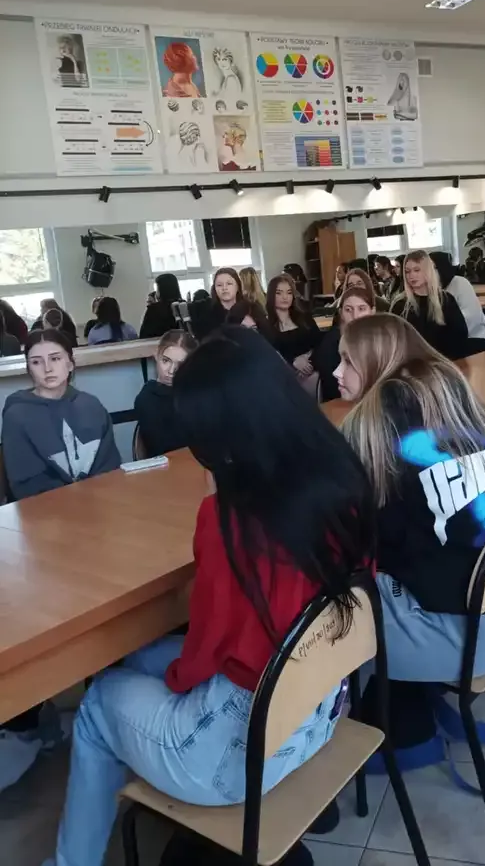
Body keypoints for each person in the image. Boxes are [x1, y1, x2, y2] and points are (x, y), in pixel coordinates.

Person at [43, 328, 374, 866]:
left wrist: (175, 686)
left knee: (100, 701)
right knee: (137, 660)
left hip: (239, 752)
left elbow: (205, 651)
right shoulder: (343, 474)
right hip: (319, 710)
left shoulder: (232, 520)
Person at [335, 314, 485, 687]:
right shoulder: (465, 407)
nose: (336, 372)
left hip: (477, 636)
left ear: (376, 364)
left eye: (347, 361)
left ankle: (403, 720)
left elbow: (365, 542)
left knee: (329, 622)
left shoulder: (377, 429)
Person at [2, 328, 121, 501]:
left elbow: (110, 468)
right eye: (36, 362)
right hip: (45, 510)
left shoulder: (92, 405)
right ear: (29, 369)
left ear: (70, 363)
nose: (47, 368)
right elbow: (28, 486)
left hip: (99, 503)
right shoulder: (17, 415)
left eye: (55, 358)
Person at [391, 249, 468, 360]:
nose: (411, 275)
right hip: (412, 362)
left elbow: (460, 335)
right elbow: (394, 341)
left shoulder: (446, 299)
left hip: (445, 361)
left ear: (428, 271)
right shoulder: (400, 304)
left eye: (416, 270)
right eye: (407, 271)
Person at [134, 330, 198, 457]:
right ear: (156, 356)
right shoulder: (147, 399)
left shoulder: (196, 393)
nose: (171, 371)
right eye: (166, 361)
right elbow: (163, 449)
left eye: (180, 365)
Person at [312, 286, 377, 402]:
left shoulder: (380, 340)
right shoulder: (332, 341)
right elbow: (332, 387)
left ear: (372, 311)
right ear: (340, 313)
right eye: (348, 310)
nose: (355, 316)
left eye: (361, 309)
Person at [430, 251, 485, 354]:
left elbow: (471, 318)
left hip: (476, 335)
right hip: (450, 339)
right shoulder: (431, 289)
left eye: (432, 268)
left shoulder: (460, 283)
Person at [266, 273, 322, 393]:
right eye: (279, 293)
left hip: (312, 373)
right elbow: (271, 355)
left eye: (289, 292)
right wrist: (293, 362)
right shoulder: (266, 326)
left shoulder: (305, 318)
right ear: (271, 295)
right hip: (284, 379)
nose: (285, 297)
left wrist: (307, 359)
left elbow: (319, 342)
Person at [191, 267, 243, 340]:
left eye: (229, 284)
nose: (224, 288)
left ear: (238, 286)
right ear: (214, 288)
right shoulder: (206, 317)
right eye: (219, 285)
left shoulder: (249, 311)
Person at [139, 273, 182, 339]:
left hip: (161, 343)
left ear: (161, 290)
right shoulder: (184, 305)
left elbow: (144, 336)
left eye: (157, 289)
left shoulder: (154, 309)